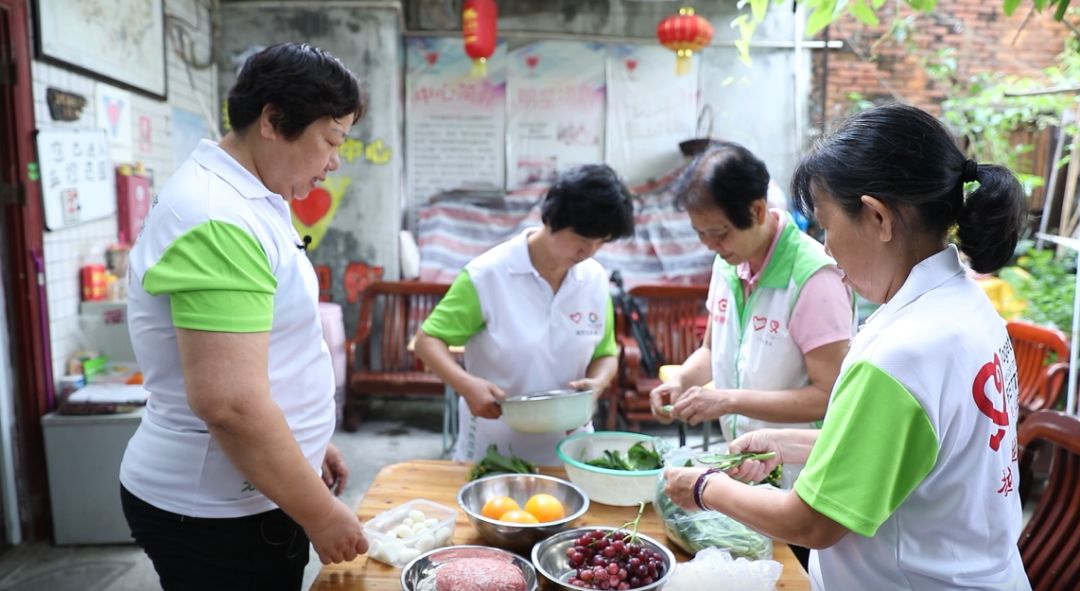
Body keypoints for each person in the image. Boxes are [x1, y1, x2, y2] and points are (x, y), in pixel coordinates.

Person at [664, 103, 1030, 590]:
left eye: (828, 226)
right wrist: (789, 444)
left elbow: (812, 523)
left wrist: (707, 487)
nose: (829, 249)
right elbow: (910, 456)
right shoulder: (965, 309)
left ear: (877, 217)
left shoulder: (902, 352)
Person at [119, 43, 368, 590]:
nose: (333, 161)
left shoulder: (250, 196)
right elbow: (230, 403)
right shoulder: (216, 217)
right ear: (274, 121)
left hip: (253, 485)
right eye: (331, 140)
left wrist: (307, 440)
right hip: (215, 510)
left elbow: (267, 345)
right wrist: (320, 514)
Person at [648, 141, 852, 488]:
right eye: (701, 234)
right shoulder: (728, 262)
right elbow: (712, 351)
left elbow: (827, 396)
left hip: (799, 477)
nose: (710, 244)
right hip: (746, 467)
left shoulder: (814, 278)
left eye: (719, 232)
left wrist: (727, 400)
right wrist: (682, 381)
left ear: (757, 211)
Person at [415, 164, 635, 466]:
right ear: (551, 218)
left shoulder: (594, 280)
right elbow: (428, 341)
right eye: (582, 238)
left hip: (572, 451)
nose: (590, 251)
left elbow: (606, 353)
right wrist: (467, 386)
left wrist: (596, 386)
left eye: (601, 242)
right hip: (494, 451)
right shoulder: (487, 275)